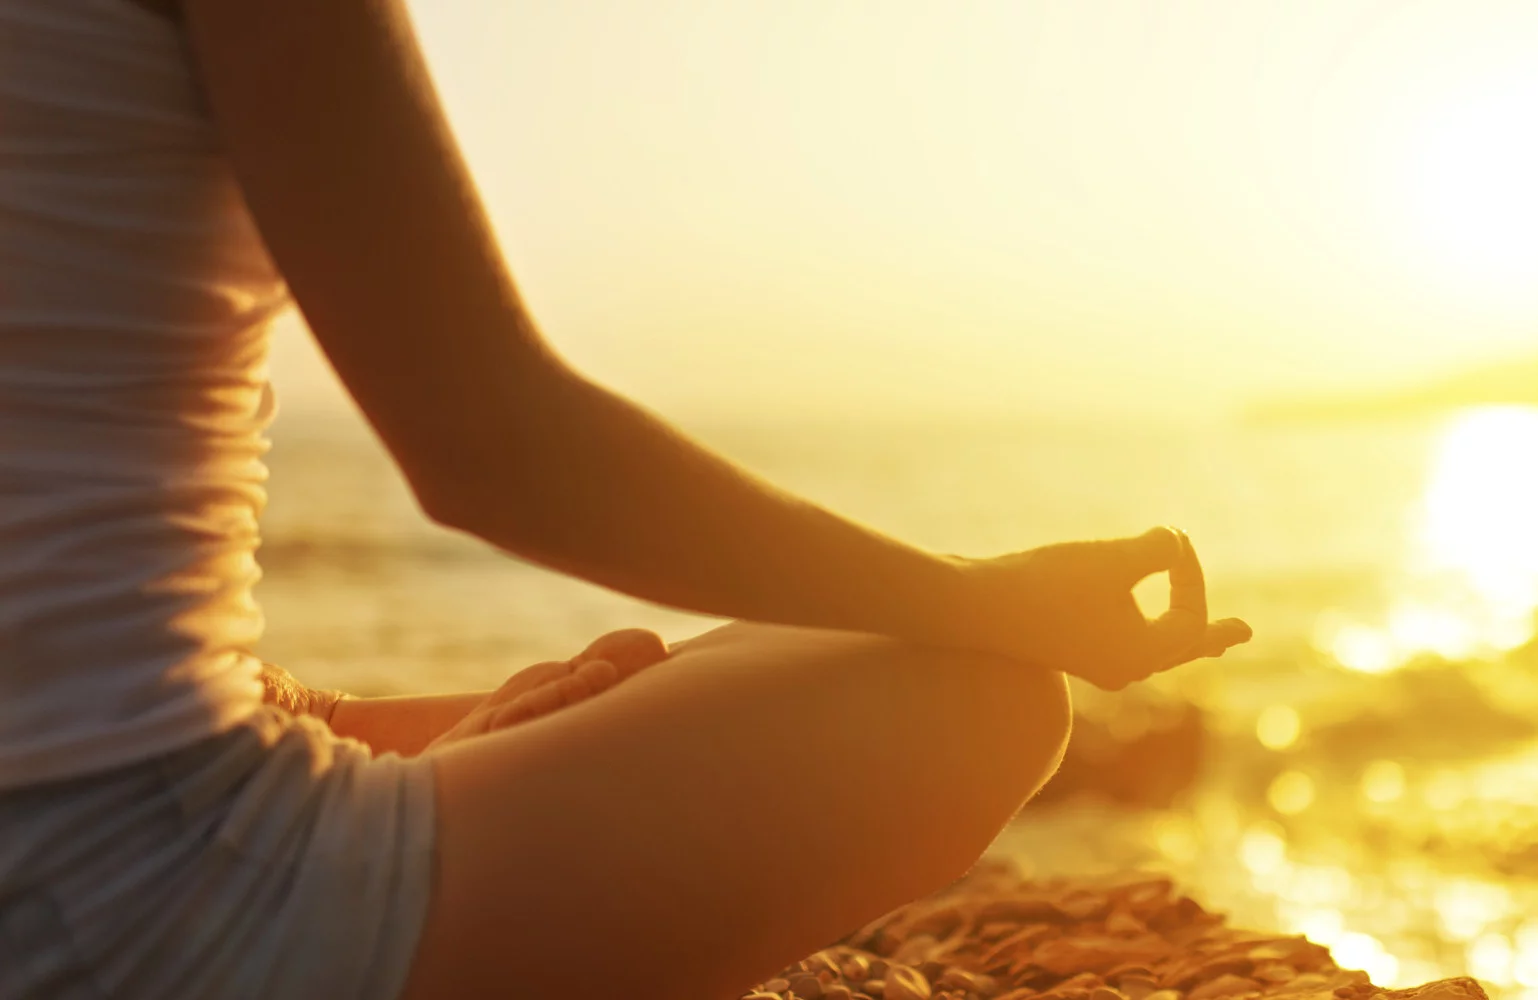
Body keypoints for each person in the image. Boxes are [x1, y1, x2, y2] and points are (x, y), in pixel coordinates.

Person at [0, 1, 1252, 998]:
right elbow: (494, 447)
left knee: (651, 676)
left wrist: (356, 724)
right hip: (141, 911)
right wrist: (990, 600)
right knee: (973, 694)